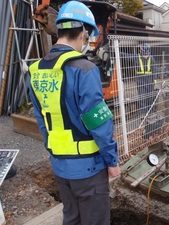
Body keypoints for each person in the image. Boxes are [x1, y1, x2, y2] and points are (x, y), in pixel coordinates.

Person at [28, 1, 121, 225]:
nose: (87, 42)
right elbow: (98, 123)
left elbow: (42, 121)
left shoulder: (35, 71)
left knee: (72, 218)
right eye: (87, 36)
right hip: (89, 168)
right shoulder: (85, 69)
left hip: (60, 166)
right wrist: (112, 160)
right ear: (83, 33)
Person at [120, 43, 157, 115]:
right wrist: (118, 52)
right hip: (141, 81)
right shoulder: (137, 57)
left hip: (150, 81)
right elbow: (127, 56)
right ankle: (144, 114)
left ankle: (151, 112)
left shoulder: (151, 58)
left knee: (150, 97)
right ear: (141, 51)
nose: (145, 54)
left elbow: (154, 69)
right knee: (142, 98)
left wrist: (154, 80)